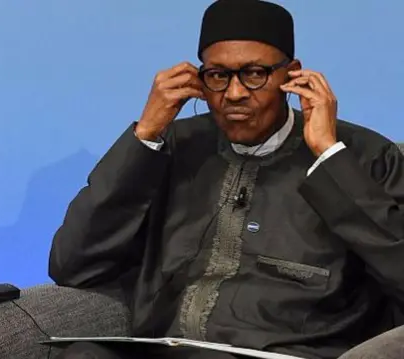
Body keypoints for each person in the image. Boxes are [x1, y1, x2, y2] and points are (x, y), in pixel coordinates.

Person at [47, 0, 404, 358]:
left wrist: (328, 156)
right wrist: (145, 136)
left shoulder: (364, 156)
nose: (234, 93)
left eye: (254, 74)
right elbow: (72, 266)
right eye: (218, 76)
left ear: (292, 75)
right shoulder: (172, 146)